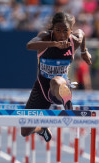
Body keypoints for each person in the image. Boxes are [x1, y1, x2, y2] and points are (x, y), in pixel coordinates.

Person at [21, 12, 92, 142]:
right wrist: (54, 44)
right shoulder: (45, 37)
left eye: (66, 31)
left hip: (62, 86)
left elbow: (81, 33)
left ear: (71, 31)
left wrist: (84, 51)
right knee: (25, 131)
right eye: (58, 30)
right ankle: (42, 129)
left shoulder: (73, 41)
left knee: (56, 81)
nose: (62, 34)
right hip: (41, 88)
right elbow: (29, 45)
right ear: (52, 29)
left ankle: (68, 104)